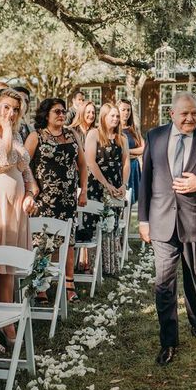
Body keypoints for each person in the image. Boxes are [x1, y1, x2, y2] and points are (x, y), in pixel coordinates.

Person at [138, 91, 196, 366]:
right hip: (162, 220)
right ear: (172, 114)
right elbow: (145, 181)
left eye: (194, 113)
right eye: (184, 113)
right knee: (164, 283)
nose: (190, 118)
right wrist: (143, 220)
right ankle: (168, 342)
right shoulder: (154, 137)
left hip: (195, 220)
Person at [25, 98, 88, 303]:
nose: (62, 115)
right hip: (44, 199)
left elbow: (83, 165)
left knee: (68, 242)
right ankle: (41, 286)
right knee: (43, 242)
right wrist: (31, 187)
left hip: (68, 198)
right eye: (57, 112)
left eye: (63, 111)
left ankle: (69, 284)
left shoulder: (72, 135)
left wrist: (83, 190)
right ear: (46, 115)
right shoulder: (36, 136)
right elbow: (24, 166)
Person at [0, 88, 37, 352]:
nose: (11, 114)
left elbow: (25, 169)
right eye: (6, 108)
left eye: (15, 110)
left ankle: (7, 323)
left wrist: (30, 192)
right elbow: (1, 159)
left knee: (7, 270)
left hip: (16, 209)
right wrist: (7, 128)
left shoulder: (18, 135)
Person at [84, 103, 130, 276]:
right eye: (112, 116)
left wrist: (123, 184)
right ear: (103, 117)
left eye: (117, 116)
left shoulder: (122, 138)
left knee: (112, 224)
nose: (116, 119)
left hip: (116, 185)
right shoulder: (94, 134)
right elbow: (90, 162)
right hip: (97, 185)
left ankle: (110, 266)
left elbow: (126, 163)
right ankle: (92, 267)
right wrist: (106, 185)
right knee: (95, 223)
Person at [117, 98, 144, 204]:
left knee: (131, 201)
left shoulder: (133, 129)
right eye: (123, 110)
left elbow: (143, 148)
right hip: (120, 167)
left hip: (133, 166)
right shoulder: (114, 129)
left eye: (128, 110)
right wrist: (133, 152)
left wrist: (126, 151)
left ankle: (127, 221)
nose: (126, 113)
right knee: (119, 199)